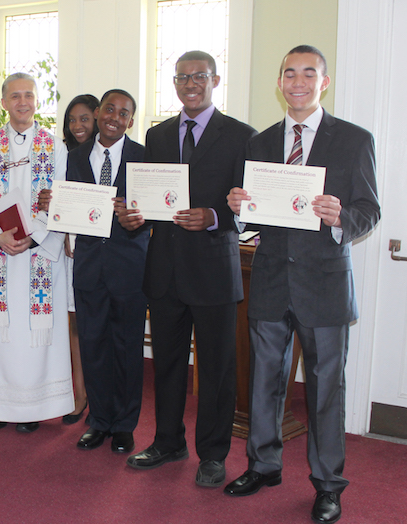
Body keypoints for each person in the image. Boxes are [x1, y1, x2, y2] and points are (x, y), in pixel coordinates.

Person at [223, 46, 380, 524]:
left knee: (325, 389)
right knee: (264, 383)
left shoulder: (354, 139)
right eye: (289, 72)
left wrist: (340, 218)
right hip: (269, 278)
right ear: (279, 81)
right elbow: (251, 218)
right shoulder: (261, 143)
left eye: (308, 73)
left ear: (323, 82)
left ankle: (328, 484)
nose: (298, 81)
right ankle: (264, 464)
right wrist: (237, 206)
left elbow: (368, 210)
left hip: (325, 285)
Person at [119, 51, 256, 487]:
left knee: (216, 369)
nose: (189, 84)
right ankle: (167, 441)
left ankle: (213, 454)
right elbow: (150, 199)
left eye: (198, 76)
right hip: (164, 271)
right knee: (168, 364)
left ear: (215, 79)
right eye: (181, 77)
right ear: (174, 84)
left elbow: (251, 205)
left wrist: (215, 217)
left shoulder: (242, 136)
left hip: (214, 272)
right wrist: (134, 215)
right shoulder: (157, 136)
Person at [0, 72, 73, 432]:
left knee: (34, 333)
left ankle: (33, 410)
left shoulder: (55, 147)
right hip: (0, 257)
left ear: (37, 100)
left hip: (38, 255)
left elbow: (62, 194)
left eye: (28, 95)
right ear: (4, 102)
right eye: (14, 96)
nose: (22, 102)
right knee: (0, 332)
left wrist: (36, 236)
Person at [53, 89, 149, 453]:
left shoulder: (143, 156)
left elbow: (153, 211)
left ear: (130, 120)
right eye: (110, 109)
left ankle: (124, 424)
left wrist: (138, 219)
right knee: (93, 345)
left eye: (124, 113)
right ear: (97, 112)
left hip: (131, 266)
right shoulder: (73, 157)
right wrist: (53, 202)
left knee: (126, 348)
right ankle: (99, 421)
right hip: (89, 264)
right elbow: (67, 205)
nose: (115, 117)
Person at [60, 94, 99, 425]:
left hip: (100, 254)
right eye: (72, 119)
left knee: (96, 326)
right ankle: (79, 394)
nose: (77, 125)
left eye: (84, 118)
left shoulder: (105, 155)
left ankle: (98, 396)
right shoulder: (62, 155)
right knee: (74, 327)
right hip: (67, 252)